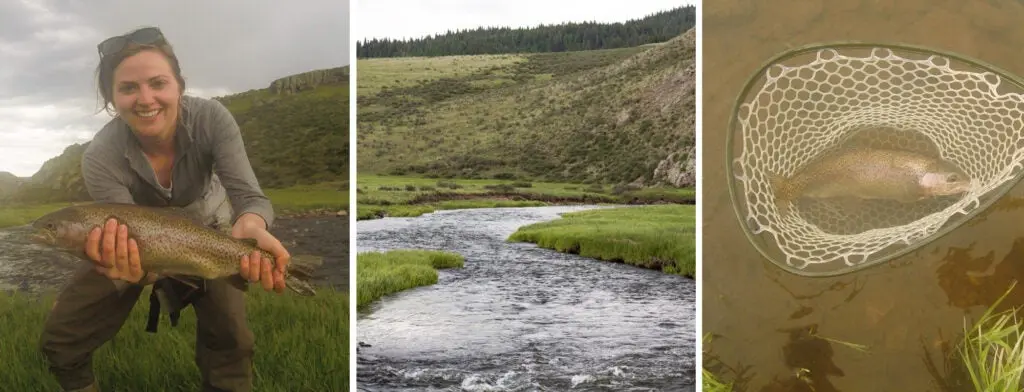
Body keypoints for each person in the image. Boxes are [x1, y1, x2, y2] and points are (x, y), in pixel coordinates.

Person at [38, 26, 291, 392]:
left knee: (232, 343)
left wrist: (251, 224)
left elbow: (250, 198)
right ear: (112, 99)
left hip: (213, 237)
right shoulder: (100, 156)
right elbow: (125, 240)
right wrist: (135, 269)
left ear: (179, 86)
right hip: (133, 246)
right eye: (128, 88)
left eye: (158, 83)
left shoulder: (212, 119)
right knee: (61, 341)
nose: (145, 98)